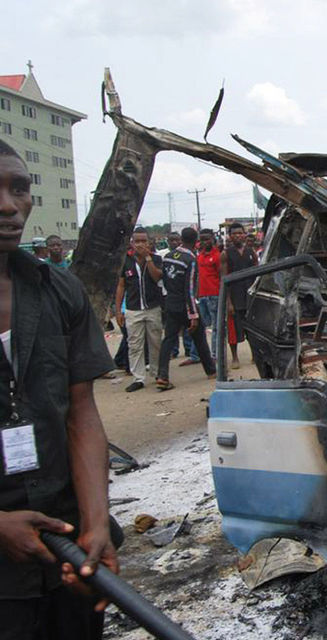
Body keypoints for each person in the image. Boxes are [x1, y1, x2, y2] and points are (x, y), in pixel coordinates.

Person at [0, 141, 120, 638]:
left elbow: (81, 413)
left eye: (19, 189)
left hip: (65, 544)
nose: (9, 206)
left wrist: (95, 523)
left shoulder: (59, 289)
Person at [157, 227, 215, 391]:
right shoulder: (191, 260)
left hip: (170, 302)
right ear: (196, 241)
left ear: (181, 238)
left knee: (168, 339)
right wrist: (193, 314)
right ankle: (211, 371)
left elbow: (166, 280)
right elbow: (189, 289)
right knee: (199, 335)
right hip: (185, 305)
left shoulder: (168, 256)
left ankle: (162, 375)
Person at [113, 228, 163, 392]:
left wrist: (148, 258)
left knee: (155, 342)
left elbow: (157, 277)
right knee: (134, 345)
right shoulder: (125, 261)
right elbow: (121, 286)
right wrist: (118, 310)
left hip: (153, 307)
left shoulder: (156, 259)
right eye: (137, 241)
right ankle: (138, 378)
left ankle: (157, 373)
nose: (140, 244)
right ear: (132, 243)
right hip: (133, 309)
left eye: (143, 241)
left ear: (149, 242)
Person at [220, 222, 258, 370]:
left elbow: (257, 273)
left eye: (240, 233)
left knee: (253, 328)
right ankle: (235, 358)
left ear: (244, 234)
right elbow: (224, 279)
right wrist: (228, 302)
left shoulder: (251, 252)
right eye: (234, 234)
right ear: (230, 236)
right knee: (233, 330)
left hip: (249, 295)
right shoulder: (226, 254)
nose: (238, 236)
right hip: (234, 297)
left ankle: (254, 354)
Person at [196, 229, 222, 361]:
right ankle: (199, 355)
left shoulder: (217, 255)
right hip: (202, 296)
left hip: (215, 294)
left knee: (216, 327)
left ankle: (215, 354)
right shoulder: (199, 256)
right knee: (202, 326)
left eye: (207, 239)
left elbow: (222, 276)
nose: (205, 242)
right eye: (202, 239)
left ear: (212, 239)